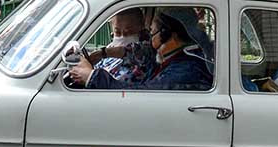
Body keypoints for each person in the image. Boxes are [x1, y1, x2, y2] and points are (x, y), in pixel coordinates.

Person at [70, 9, 214, 91]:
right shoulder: (173, 58)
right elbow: (142, 51)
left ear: (168, 35)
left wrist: (92, 77)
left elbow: (143, 93)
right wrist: (104, 53)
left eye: (153, 31)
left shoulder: (186, 69)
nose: (149, 37)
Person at [86, 8, 155, 85]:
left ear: (141, 27)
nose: (123, 36)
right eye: (118, 32)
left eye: (129, 32)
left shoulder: (148, 50)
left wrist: (103, 53)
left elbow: (133, 51)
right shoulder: (111, 46)